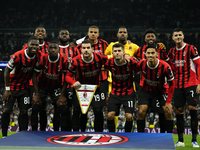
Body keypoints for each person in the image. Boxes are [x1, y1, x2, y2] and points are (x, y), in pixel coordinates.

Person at [63, 39, 108, 132]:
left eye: (88, 48)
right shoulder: (75, 61)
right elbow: (67, 76)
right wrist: (73, 82)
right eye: (84, 48)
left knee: (98, 110)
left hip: (95, 88)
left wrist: (125, 56)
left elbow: (112, 57)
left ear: (92, 49)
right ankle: (77, 133)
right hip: (80, 88)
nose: (86, 50)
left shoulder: (99, 57)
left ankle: (98, 133)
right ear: (81, 50)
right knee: (77, 111)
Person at [134, 29, 175, 133]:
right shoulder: (142, 63)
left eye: (153, 53)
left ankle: (168, 136)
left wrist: (169, 101)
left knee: (167, 111)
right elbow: (133, 69)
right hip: (146, 89)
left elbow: (172, 83)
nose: (150, 55)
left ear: (157, 54)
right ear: (145, 54)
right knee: (141, 111)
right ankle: (140, 136)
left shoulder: (165, 66)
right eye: (148, 53)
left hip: (162, 90)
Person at [1, 37, 39, 137]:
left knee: (24, 111)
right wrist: (7, 89)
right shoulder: (17, 56)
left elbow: (34, 76)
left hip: (25, 89)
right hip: (12, 88)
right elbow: (6, 71)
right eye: (32, 44)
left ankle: (23, 135)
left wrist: (36, 93)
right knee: (6, 110)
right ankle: (4, 135)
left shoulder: (36, 58)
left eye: (36, 45)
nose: (34, 47)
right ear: (28, 45)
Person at [168, 28, 200, 148]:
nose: (178, 37)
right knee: (179, 111)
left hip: (191, 83)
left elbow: (199, 64)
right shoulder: (172, 51)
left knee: (192, 109)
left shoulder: (191, 48)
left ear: (183, 36)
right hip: (178, 85)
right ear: (172, 37)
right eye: (175, 35)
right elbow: (169, 66)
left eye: (179, 35)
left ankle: (194, 140)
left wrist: (199, 83)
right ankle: (180, 140)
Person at [104, 27, 139, 130]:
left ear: (124, 52)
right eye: (115, 51)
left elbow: (141, 63)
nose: (117, 52)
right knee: (110, 115)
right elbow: (101, 61)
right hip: (114, 91)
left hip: (129, 91)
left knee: (129, 116)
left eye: (119, 51)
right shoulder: (109, 59)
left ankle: (129, 136)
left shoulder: (133, 53)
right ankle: (112, 135)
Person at [76, 26, 109, 131]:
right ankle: (82, 131)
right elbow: (76, 61)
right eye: (91, 32)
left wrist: (106, 66)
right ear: (88, 33)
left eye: (95, 32)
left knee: (99, 109)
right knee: (83, 109)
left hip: (101, 80)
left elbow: (110, 58)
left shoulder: (105, 44)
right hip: (84, 82)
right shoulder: (80, 46)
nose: (93, 34)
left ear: (98, 34)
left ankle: (98, 132)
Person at [31, 41, 69, 131]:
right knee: (36, 107)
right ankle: (34, 133)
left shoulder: (64, 60)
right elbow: (34, 75)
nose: (52, 50)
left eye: (55, 48)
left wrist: (62, 95)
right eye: (51, 48)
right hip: (43, 86)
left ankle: (61, 133)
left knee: (62, 108)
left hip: (57, 87)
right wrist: (36, 94)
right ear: (47, 49)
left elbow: (67, 77)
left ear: (58, 50)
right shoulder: (42, 59)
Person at [23, 27, 49, 131]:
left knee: (43, 109)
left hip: (44, 83)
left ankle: (42, 131)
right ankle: (33, 132)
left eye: (43, 31)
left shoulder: (49, 46)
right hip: (31, 82)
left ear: (45, 35)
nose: (40, 33)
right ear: (34, 34)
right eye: (38, 31)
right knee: (34, 108)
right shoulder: (27, 46)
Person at [57, 29, 80, 131]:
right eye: (62, 34)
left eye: (66, 33)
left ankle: (71, 130)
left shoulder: (74, 50)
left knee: (72, 108)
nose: (64, 35)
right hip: (57, 83)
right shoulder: (54, 48)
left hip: (71, 83)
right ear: (58, 36)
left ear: (69, 36)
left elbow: (79, 63)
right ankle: (58, 131)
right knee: (59, 109)